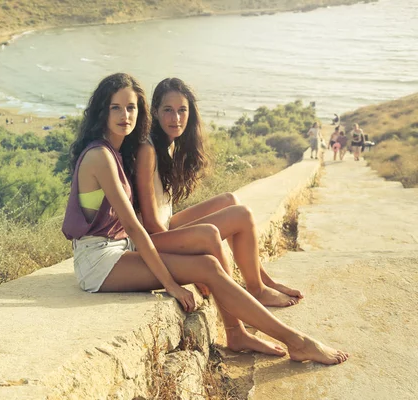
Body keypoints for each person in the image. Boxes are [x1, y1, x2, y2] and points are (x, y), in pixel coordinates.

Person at [62, 72, 349, 364]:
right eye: (116, 107)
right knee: (208, 255)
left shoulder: (117, 151)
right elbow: (136, 227)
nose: (125, 115)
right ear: (102, 110)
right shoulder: (101, 156)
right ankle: (294, 341)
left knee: (209, 263)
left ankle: (249, 327)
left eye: (131, 107)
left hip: (117, 250)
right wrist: (171, 285)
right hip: (98, 262)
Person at [135, 77, 302, 309]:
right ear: (155, 111)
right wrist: (187, 255)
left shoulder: (169, 144)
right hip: (152, 238)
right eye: (168, 110)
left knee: (229, 200)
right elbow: (151, 223)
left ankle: (262, 280)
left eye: (182, 110)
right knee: (241, 215)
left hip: (166, 227)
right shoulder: (148, 150)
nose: (176, 118)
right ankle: (256, 290)